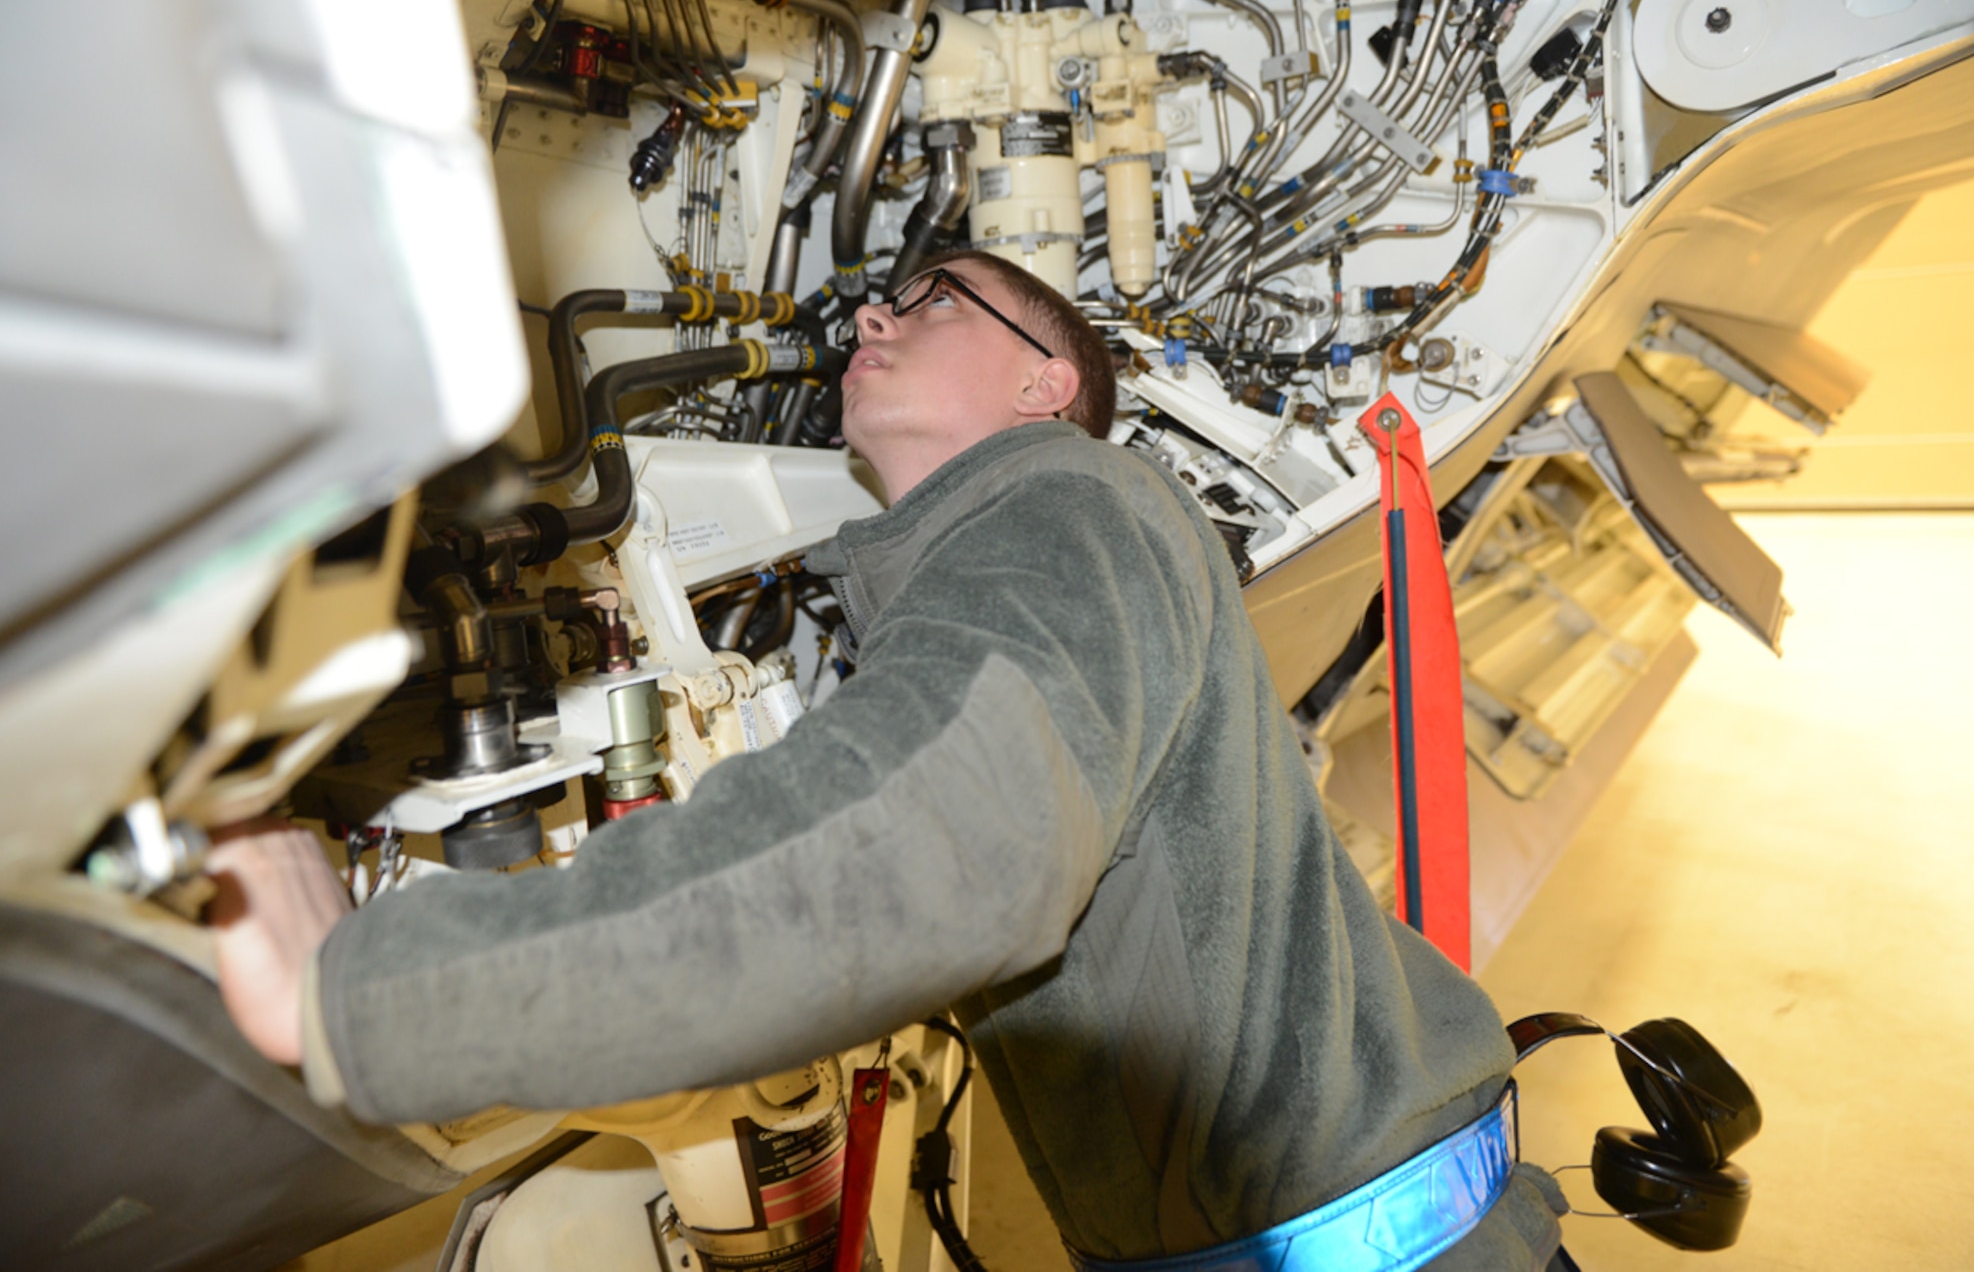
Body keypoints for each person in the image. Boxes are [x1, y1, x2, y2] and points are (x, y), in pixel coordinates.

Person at [209, 251, 1569, 1268]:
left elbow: (928, 848)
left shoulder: (1065, 505)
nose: (872, 312)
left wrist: (368, 997)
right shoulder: (1034, 549)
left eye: (933, 303)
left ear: (1048, 387)